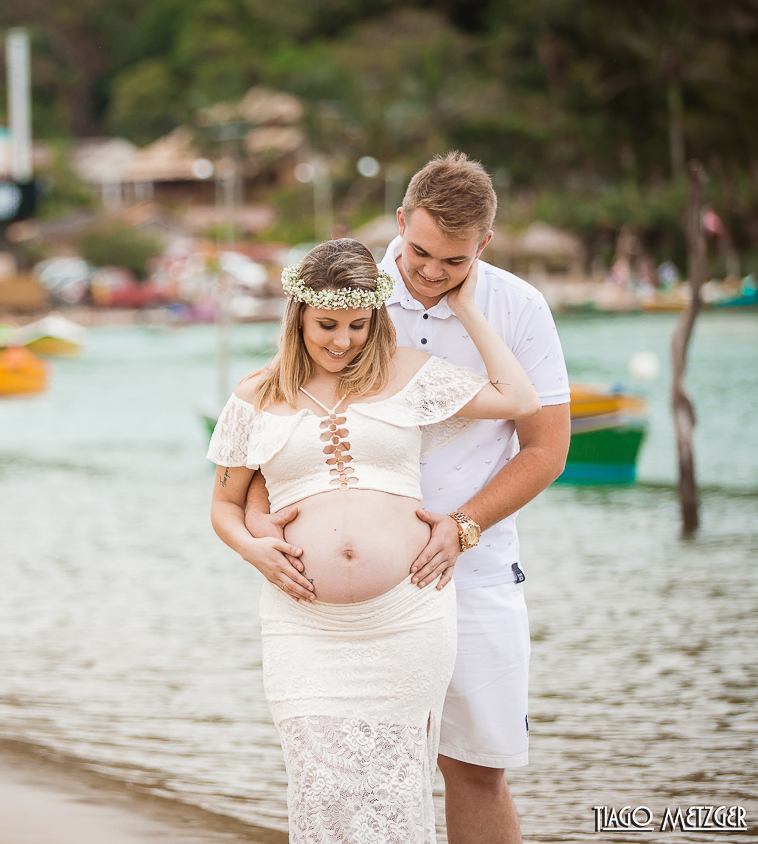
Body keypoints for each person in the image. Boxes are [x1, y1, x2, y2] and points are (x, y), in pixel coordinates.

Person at [247, 152, 571, 843]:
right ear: (399, 222)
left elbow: (545, 449)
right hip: (349, 606)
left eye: (452, 261)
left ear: (484, 243)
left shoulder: (518, 308)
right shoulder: (349, 297)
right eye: (419, 251)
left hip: (474, 568)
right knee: (365, 773)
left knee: (476, 766)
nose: (429, 272)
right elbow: (272, 419)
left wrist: (461, 527)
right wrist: (257, 535)